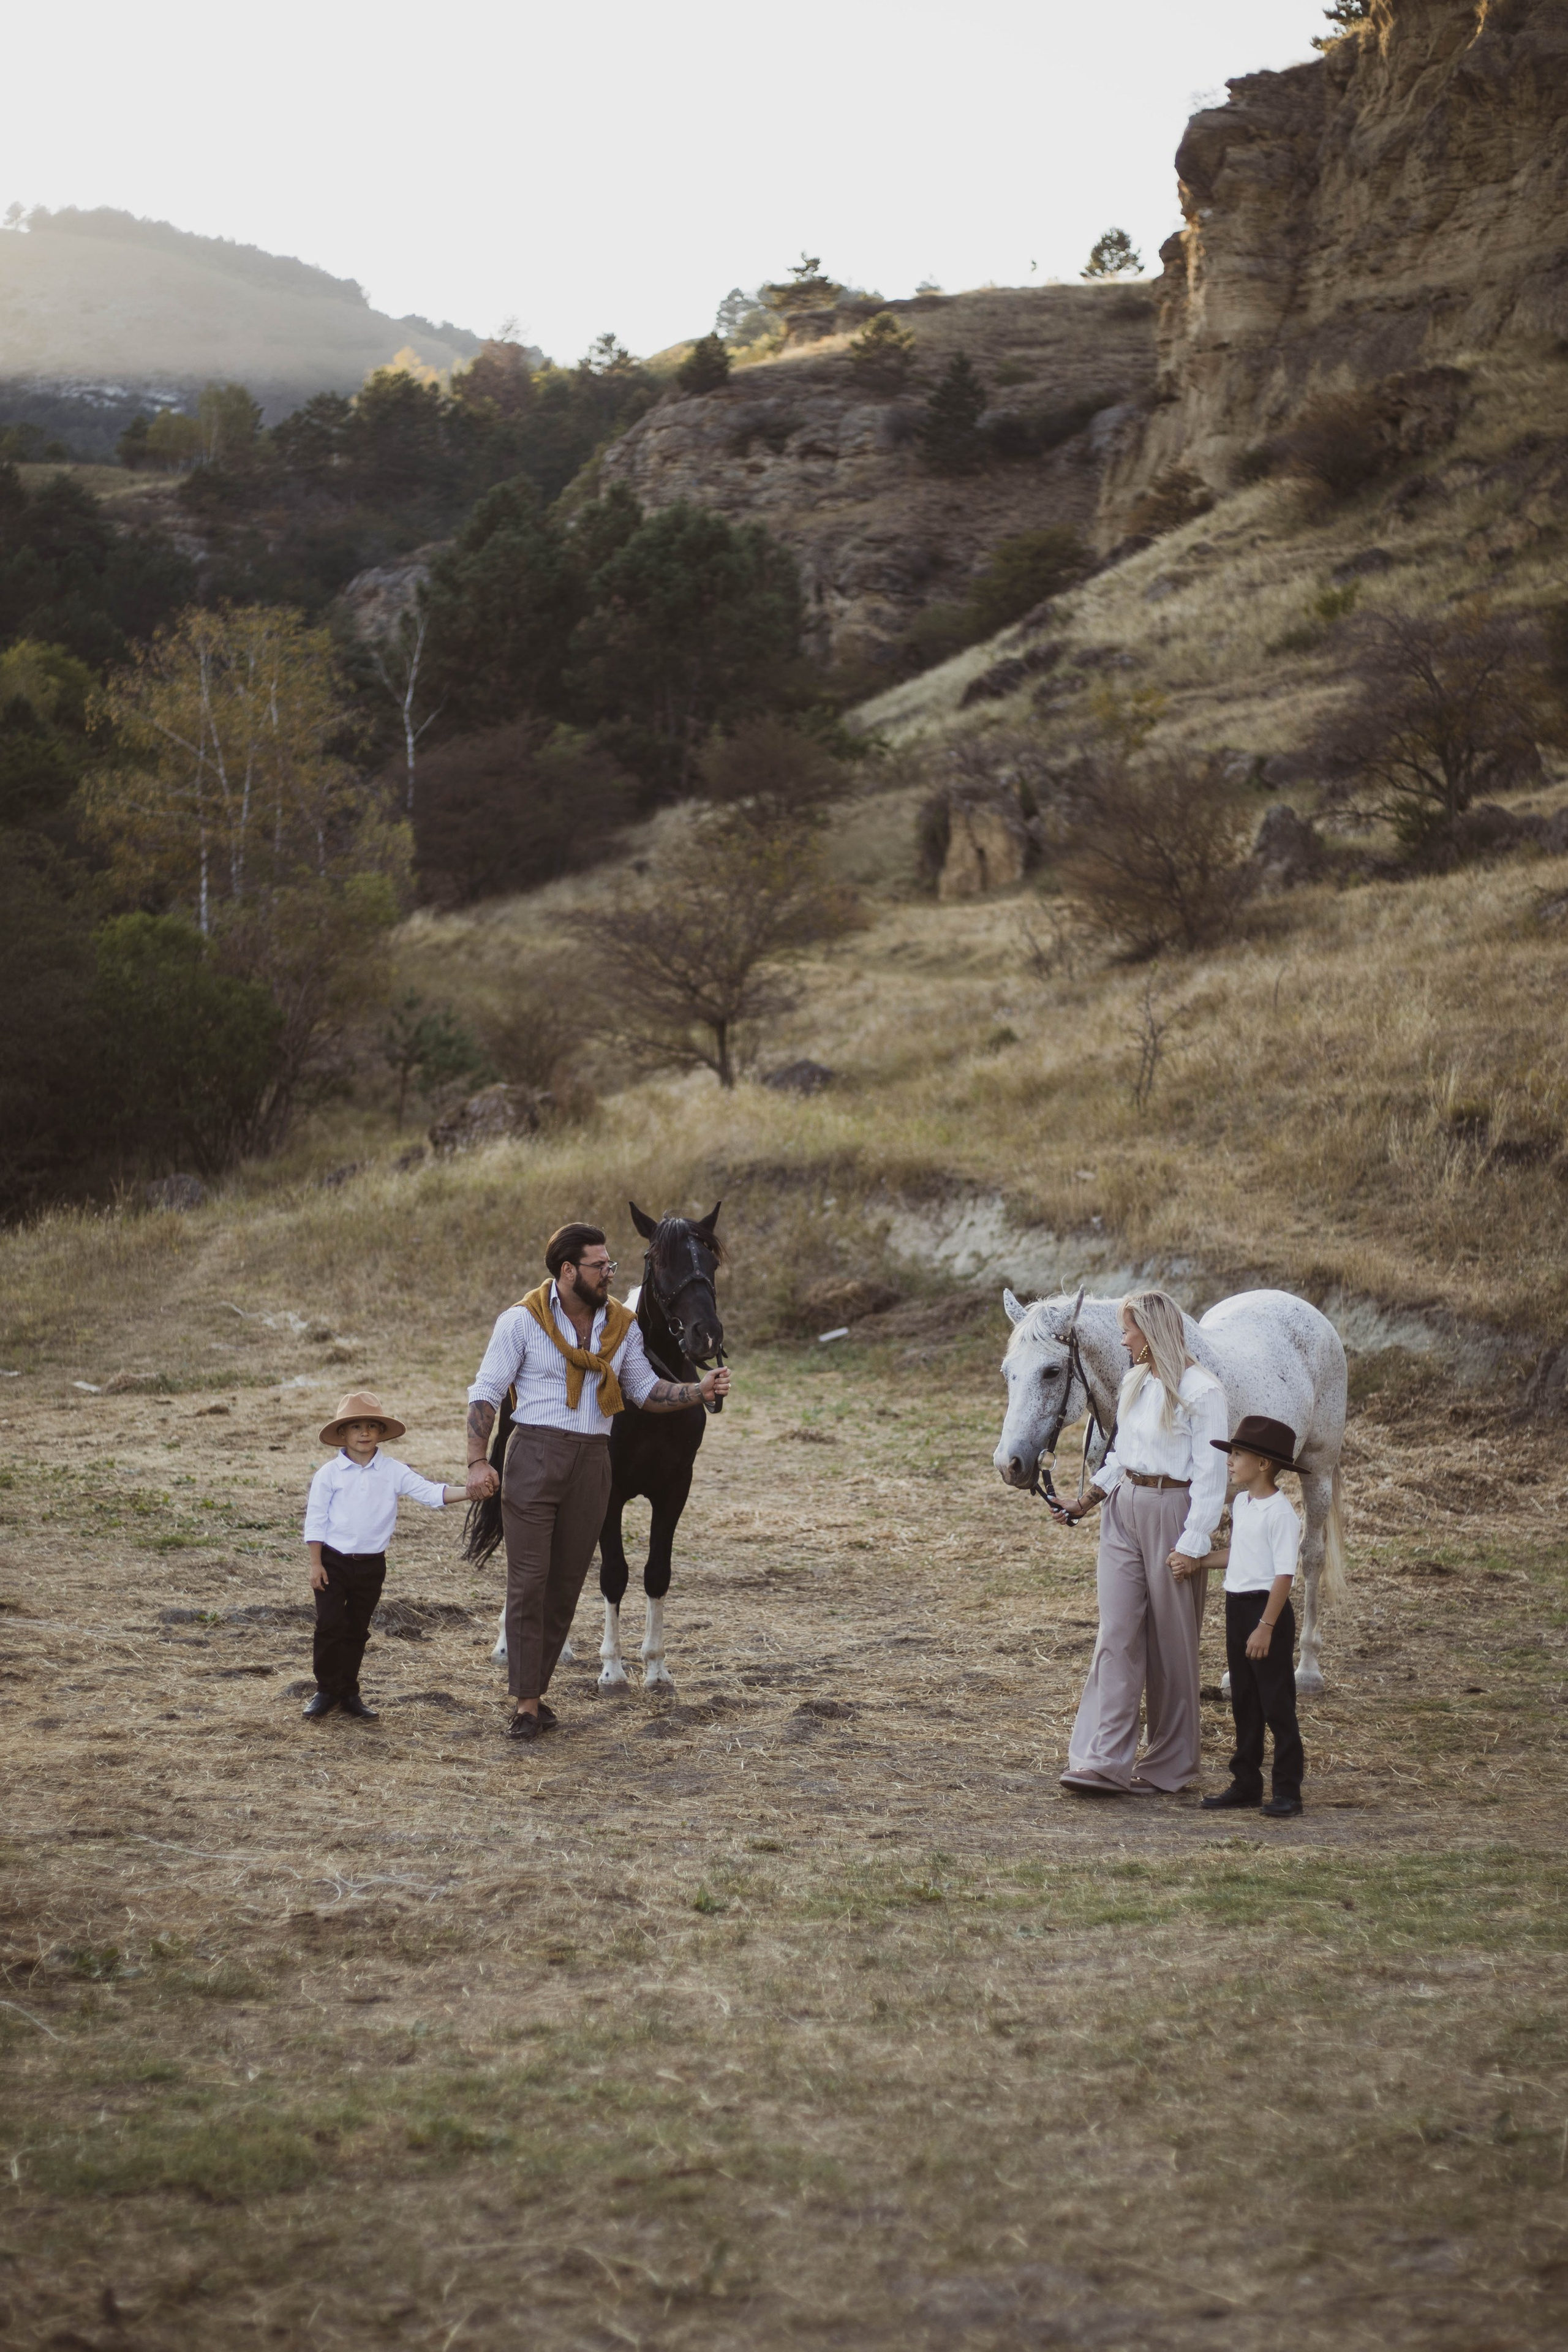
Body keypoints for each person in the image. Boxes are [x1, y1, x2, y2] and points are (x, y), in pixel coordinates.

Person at [466, 1223, 732, 1742]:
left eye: (611, 1265)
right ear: (569, 1271)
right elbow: (487, 1392)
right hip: (534, 1456)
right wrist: (478, 1461)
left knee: (566, 1584)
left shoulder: (622, 1328)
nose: (610, 1274)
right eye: (600, 1267)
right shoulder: (520, 1323)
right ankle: (527, 1705)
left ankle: (534, 1693)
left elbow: (643, 1389)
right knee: (529, 1582)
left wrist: (696, 1391)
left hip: (593, 1460)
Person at [1050, 1289, 1227, 1794]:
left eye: (1129, 1330)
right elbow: (1121, 1452)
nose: (1123, 1340)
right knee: (1117, 1634)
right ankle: (1102, 1761)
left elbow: (1210, 1475)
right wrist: (1088, 1500)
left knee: (1172, 1644)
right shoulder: (1135, 1380)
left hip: (1174, 1512)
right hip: (1124, 1509)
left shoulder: (1202, 1391)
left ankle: (1170, 1767)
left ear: (1150, 1335)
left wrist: (1194, 1543)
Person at [302, 1390, 470, 1722]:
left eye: (371, 1426)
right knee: (330, 1626)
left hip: (371, 1565)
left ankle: (349, 1692)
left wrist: (472, 1491)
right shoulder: (329, 1474)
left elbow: (430, 1493)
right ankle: (325, 1690)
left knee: (358, 1629)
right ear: (342, 1434)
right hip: (333, 1563)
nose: (364, 1433)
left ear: (381, 1432)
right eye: (355, 1427)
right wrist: (316, 1563)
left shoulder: (392, 1470)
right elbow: (316, 1520)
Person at [1191, 1414, 1306, 1818]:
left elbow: (1284, 1575)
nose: (1231, 1461)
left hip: (1266, 1611)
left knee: (1276, 1702)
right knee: (1244, 1699)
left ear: (1263, 1464)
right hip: (1238, 1607)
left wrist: (1266, 1627)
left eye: (1238, 1454)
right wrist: (1200, 1562)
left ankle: (1288, 1791)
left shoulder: (1281, 1514)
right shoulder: (1242, 1503)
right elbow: (1239, 1554)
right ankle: (1246, 1783)